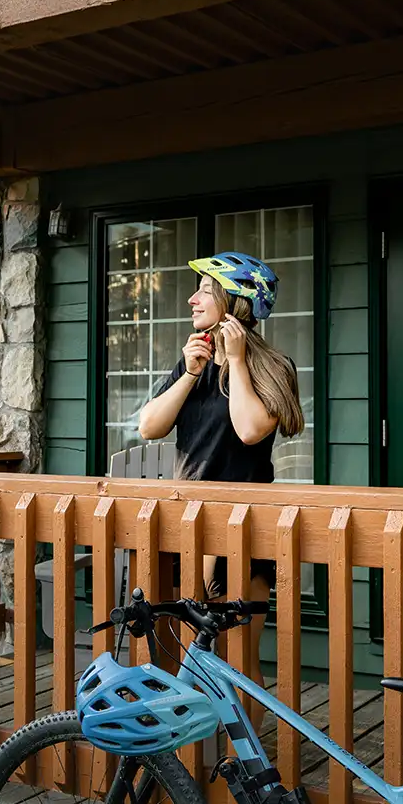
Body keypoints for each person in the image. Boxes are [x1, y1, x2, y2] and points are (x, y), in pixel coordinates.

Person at [136, 253, 305, 664]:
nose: (192, 300)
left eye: (205, 291)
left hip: (240, 528)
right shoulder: (191, 362)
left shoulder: (273, 367)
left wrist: (235, 359)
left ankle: (240, 732)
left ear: (234, 302)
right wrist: (191, 373)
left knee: (236, 661)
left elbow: (249, 430)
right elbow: (149, 427)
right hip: (186, 524)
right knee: (184, 659)